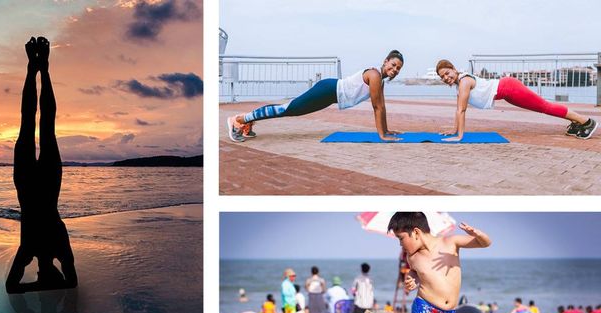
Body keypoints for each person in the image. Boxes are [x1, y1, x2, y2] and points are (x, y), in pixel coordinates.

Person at [6, 37, 77, 294]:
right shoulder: (29, 250)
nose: (36, 271)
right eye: (40, 273)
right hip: (34, 184)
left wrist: (43, 284)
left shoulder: (54, 248)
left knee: (40, 125)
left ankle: (38, 69)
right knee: (37, 125)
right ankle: (38, 69)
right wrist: (41, 285)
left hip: (39, 183)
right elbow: (13, 287)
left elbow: (70, 282)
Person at [226, 50, 405, 142]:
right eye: (393, 64)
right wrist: (382, 135)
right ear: (385, 61)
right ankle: (239, 120)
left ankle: (247, 120)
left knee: (291, 110)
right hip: (328, 89)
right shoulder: (374, 75)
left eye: (398, 68)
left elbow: (382, 106)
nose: (395, 70)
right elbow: (377, 107)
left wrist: (387, 130)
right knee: (288, 109)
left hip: (329, 94)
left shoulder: (379, 80)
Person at [435, 59, 597, 141]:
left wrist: (460, 136)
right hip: (507, 92)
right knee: (544, 107)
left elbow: (462, 110)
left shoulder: (464, 82)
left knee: (545, 107)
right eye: (442, 77)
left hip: (509, 88)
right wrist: (454, 130)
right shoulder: (460, 84)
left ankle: (586, 122)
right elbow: (458, 110)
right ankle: (578, 122)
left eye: (447, 73)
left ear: (454, 69)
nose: (446, 77)